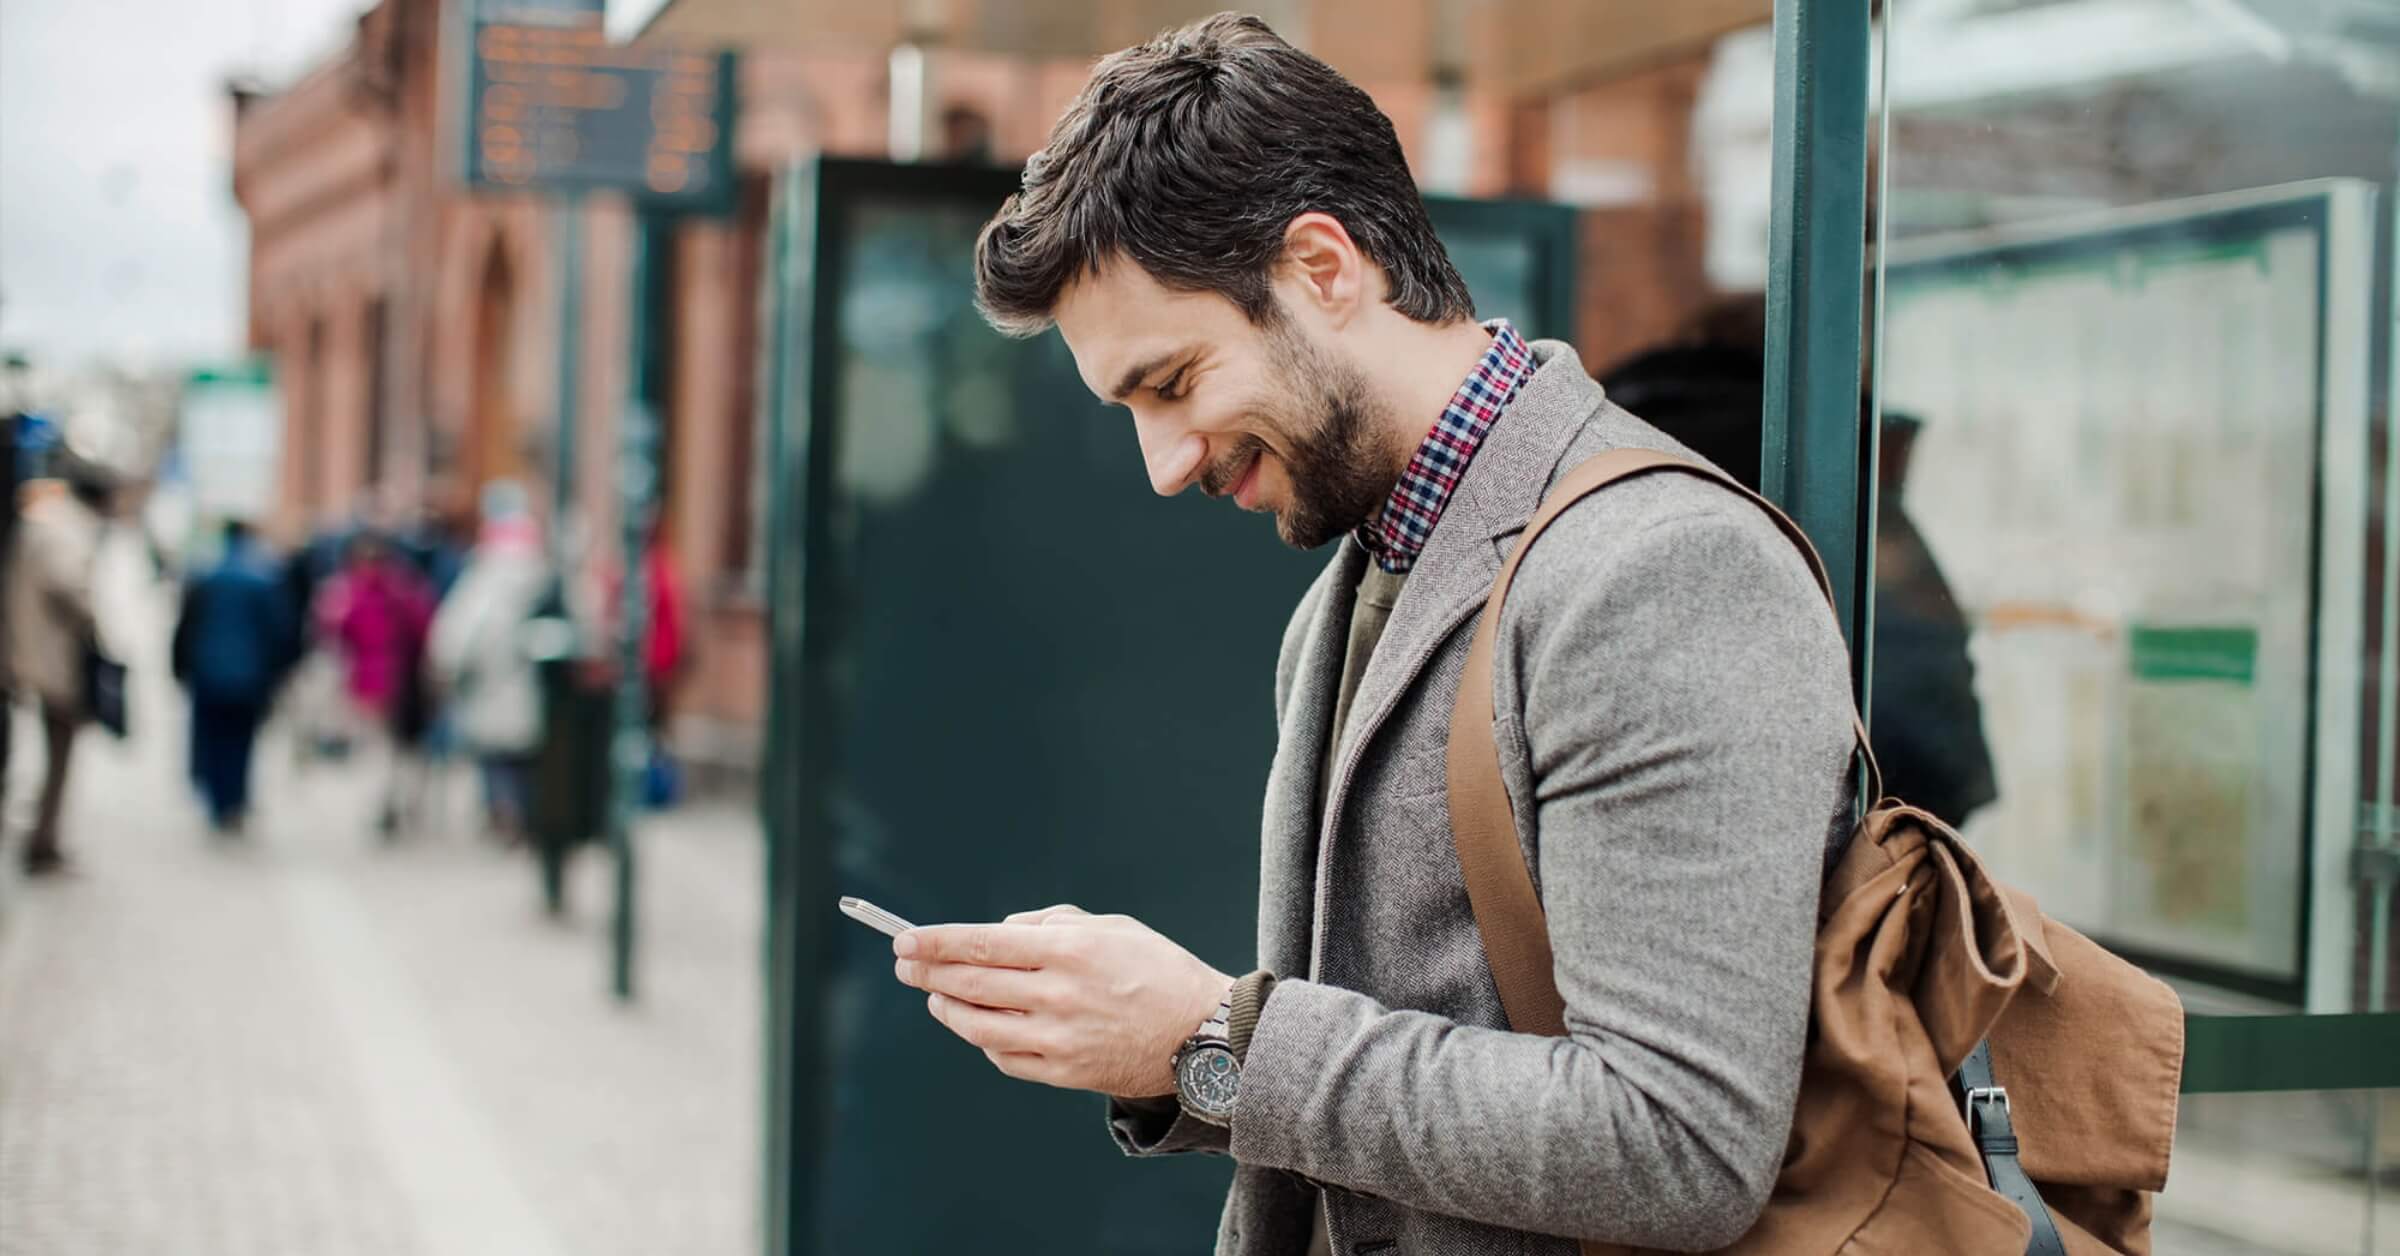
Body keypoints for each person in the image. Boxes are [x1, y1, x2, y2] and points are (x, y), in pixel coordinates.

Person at [891, 16, 1856, 1254]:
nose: (1162, 464)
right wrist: (1167, 1051)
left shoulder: (1662, 570)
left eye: (1173, 382)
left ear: (1322, 266)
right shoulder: (1343, 597)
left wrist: (1208, 1034)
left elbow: (1681, 1146)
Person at [8, 457, 114, 874]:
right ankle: (43, 840)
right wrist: (91, 618)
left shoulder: (46, 520)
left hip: (33, 651)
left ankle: (42, 836)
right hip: (54, 658)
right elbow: (65, 582)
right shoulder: (67, 528)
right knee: (59, 754)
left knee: (51, 751)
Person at [427, 486, 550, 840]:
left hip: (490, 687)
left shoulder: (484, 579)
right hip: (533, 690)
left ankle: (502, 811)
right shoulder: (543, 573)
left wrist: (445, 666)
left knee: (495, 755)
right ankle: (523, 813)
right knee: (524, 757)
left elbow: (456, 633)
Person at [171, 519, 294, 832]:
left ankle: (218, 800)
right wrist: (277, 673)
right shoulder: (263, 579)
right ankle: (235, 801)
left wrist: (179, 667)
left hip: (208, 672)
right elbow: (279, 632)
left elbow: (186, 626)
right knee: (241, 741)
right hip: (249, 675)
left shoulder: (206, 576)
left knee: (211, 738)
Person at [317, 531, 435, 836]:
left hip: (367, 683)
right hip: (400, 680)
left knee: (376, 746)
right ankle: (391, 801)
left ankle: (381, 803)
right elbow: (424, 631)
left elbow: (335, 634)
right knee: (394, 747)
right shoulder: (406, 589)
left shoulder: (348, 593)